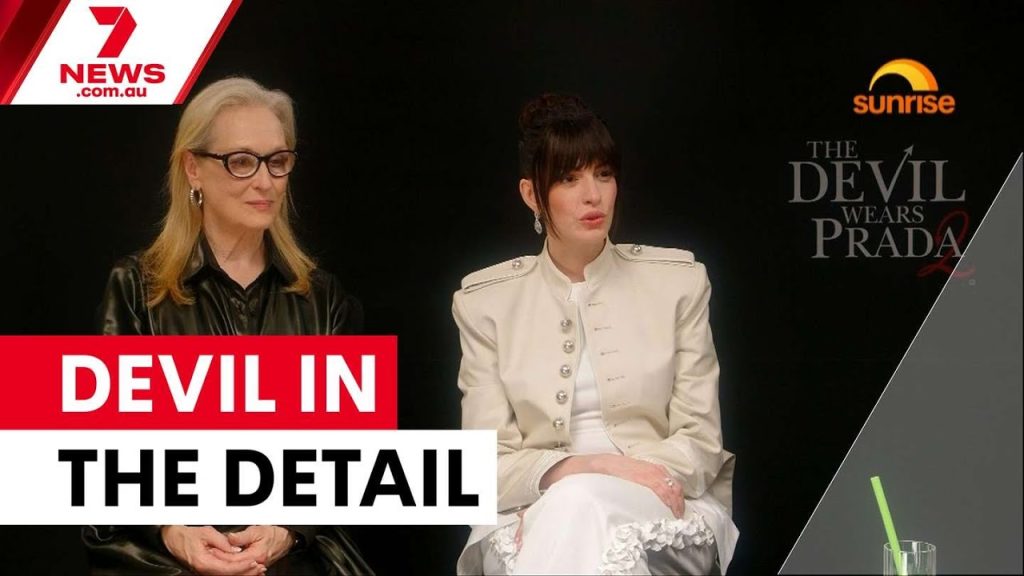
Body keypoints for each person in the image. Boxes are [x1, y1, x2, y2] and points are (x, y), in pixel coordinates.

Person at [86, 77, 372, 576]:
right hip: (169, 556)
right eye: (241, 161)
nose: (265, 181)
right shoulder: (135, 289)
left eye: (277, 160)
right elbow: (105, 456)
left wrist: (287, 527)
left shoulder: (324, 300)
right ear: (193, 168)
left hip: (294, 555)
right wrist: (172, 528)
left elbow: (350, 458)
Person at [452, 93, 738, 575]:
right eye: (569, 178)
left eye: (603, 174)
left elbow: (701, 442)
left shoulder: (678, 283)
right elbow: (484, 468)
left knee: (577, 505)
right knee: (574, 505)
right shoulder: (485, 303)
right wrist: (587, 469)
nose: (593, 195)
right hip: (531, 506)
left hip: (663, 500)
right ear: (531, 194)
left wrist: (619, 477)